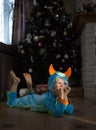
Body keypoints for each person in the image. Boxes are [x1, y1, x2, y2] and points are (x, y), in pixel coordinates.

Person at [7, 64, 74, 117]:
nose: (62, 85)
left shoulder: (59, 96)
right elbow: (57, 113)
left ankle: (30, 88)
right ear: (51, 86)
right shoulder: (47, 99)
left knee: (33, 96)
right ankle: (15, 82)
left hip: (36, 97)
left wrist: (65, 96)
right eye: (59, 83)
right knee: (11, 102)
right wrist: (63, 97)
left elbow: (69, 111)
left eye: (65, 83)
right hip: (30, 100)